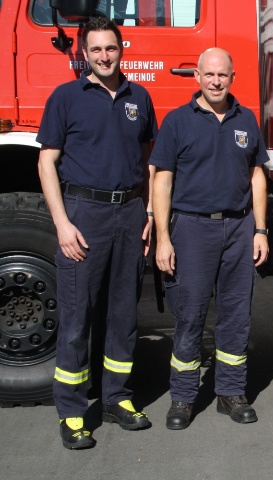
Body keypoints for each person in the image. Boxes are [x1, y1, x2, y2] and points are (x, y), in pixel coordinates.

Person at [37, 16, 157, 450]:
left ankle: (117, 398)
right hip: (83, 215)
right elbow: (46, 162)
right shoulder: (66, 97)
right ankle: (72, 412)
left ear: (122, 49)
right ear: (84, 54)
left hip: (127, 214)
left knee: (124, 315)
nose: (105, 56)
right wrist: (62, 223)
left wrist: (146, 210)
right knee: (77, 318)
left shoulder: (138, 97)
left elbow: (148, 158)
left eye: (112, 48)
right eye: (96, 50)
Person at [151, 48, 269, 430]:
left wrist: (261, 229)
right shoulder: (177, 122)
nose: (216, 81)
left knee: (236, 315)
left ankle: (230, 393)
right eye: (209, 75)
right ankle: (183, 397)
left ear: (233, 77)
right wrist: (163, 238)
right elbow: (162, 180)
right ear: (197, 76)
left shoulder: (246, 119)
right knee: (190, 315)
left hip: (239, 227)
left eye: (223, 75)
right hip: (192, 228)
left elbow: (256, 176)